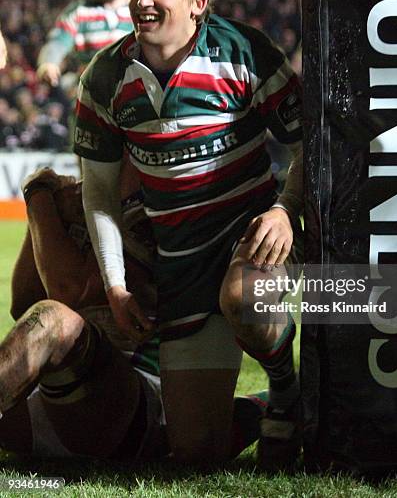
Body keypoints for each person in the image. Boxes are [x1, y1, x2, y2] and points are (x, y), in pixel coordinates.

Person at [73, 0, 303, 469]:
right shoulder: (105, 77)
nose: (141, 1)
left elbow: (306, 145)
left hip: (255, 238)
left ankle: (287, 390)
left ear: (197, 3)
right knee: (195, 454)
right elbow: (101, 194)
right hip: (180, 263)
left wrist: (285, 211)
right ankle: (260, 406)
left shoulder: (244, 51)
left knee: (245, 296)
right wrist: (115, 286)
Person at [0, 167, 265, 461]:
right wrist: (44, 212)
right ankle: (262, 406)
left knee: (52, 320)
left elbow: (69, 291)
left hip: (134, 404)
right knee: (47, 322)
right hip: (58, 401)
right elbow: (23, 304)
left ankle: (269, 405)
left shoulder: (163, 201)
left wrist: (39, 199)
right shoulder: (85, 193)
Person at [36, 0, 132, 88]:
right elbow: (58, 41)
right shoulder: (81, 12)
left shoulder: (139, 11)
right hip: (91, 93)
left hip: (130, 94)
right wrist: (49, 63)